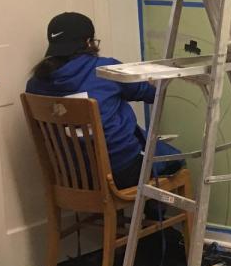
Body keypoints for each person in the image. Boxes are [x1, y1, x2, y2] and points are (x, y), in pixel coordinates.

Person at [25, 12, 184, 189]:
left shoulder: (35, 84)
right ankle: (149, 214)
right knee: (173, 159)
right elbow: (150, 94)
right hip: (119, 172)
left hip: (73, 176)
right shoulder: (105, 70)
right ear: (87, 42)